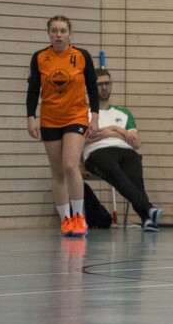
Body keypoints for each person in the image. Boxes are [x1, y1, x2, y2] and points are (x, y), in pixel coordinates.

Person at [26, 15, 99, 237]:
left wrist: (94, 116)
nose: (59, 35)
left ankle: (79, 217)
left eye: (63, 31)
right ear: (49, 34)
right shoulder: (40, 57)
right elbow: (33, 89)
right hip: (50, 118)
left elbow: (92, 87)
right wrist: (31, 117)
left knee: (70, 166)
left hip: (75, 116)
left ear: (70, 34)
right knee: (57, 171)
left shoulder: (81, 56)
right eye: (54, 31)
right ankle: (65, 220)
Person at [82, 69, 163, 232]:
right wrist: (120, 131)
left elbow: (136, 142)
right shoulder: (84, 111)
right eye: (99, 84)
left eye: (107, 83)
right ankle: (148, 210)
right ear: (91, 87)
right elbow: (87, 137)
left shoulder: (124, 113)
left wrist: (109, 131)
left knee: (135, 178)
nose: (104, 88)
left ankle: (147, 218)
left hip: (125, 150)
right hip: (98, 152)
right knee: (119, 177)